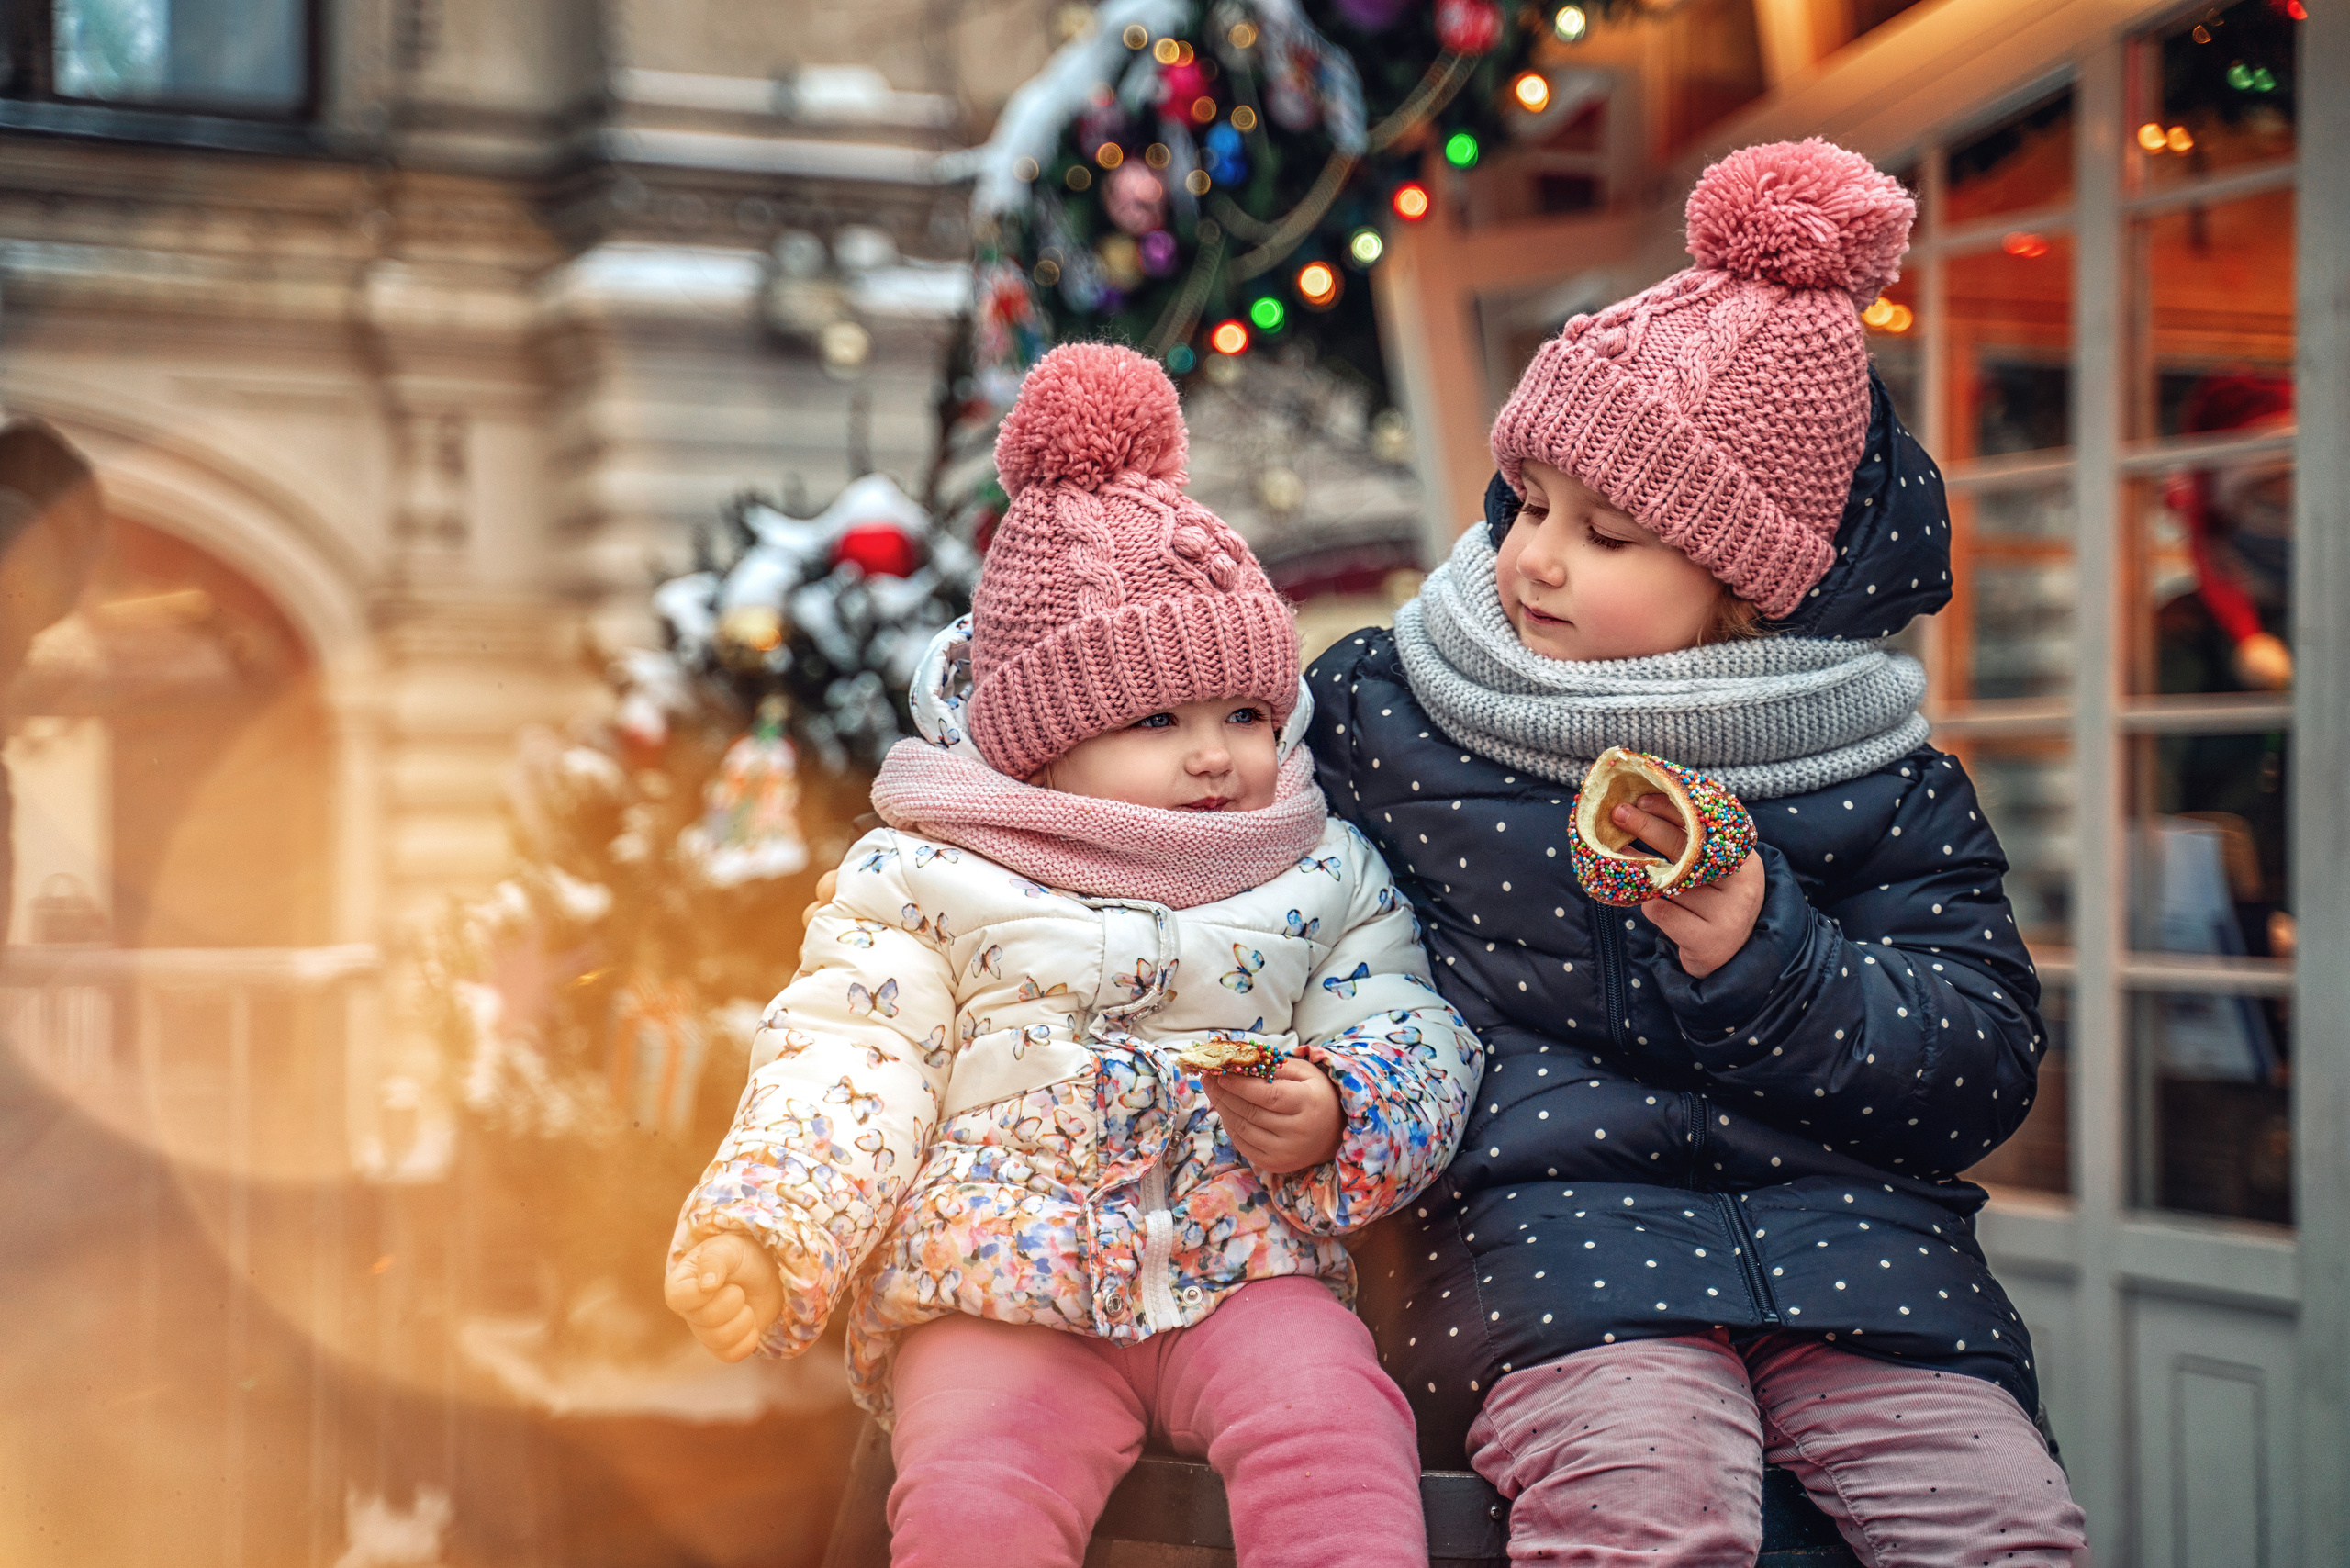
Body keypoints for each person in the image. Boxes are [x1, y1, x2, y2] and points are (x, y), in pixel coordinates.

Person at [1305, 140, 2088, 1564]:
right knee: (1648, 1507)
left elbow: (1978, 1062)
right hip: (1553, 1255)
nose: (1536, 558)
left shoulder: (1876, 771)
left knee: (2003, 1523)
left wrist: (1762, 950)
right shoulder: (1395, 709)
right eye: (1529, 500)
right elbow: (1214, 799)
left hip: (1870, 1266)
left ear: (1747, 587)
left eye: (1607, 534)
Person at [663, 343, 1484, 1568]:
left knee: (1337, 1431)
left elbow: (1412, 1025)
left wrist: (1342, 1108)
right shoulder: (929, 876)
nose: (1215, 754)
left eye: (1245, 714)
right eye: (1157, 719)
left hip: (1245, 1272)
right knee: (974, 1496)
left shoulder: (1317, 868)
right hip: (999, 1293)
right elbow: (850, 1061)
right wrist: (769, 1231)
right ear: (1042, 743)